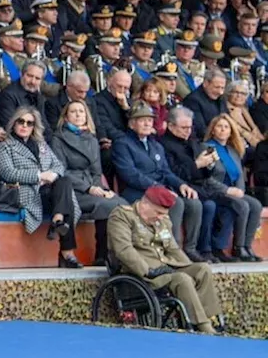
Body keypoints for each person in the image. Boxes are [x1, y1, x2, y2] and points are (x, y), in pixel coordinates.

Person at [107, 185, 225, 334]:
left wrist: (188, 267)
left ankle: (204, 317)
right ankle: (203, 326)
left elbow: (173, 249)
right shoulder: (122, 216)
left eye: (163, 214)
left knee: (202, 270)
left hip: (164, 268)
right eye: (158, 212)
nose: (160, 217)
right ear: (145, 204)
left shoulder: (162, 220)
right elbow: (124, 250)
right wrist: (147, 271)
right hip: (140, 274)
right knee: (181, 279)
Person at [0, 105, 84, 267]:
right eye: (21, 122)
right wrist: (39, 176)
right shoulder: (5, 145)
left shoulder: (41, 145)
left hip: (48, 192)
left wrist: (52, 176)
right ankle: (67, 252)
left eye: (29, 123)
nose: (24, 126)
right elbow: (8, 173)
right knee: (66, 198)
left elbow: (58, 166)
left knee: (64, 181)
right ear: (14, 123)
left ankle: (58, 219)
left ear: (34, 127)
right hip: (25, 192)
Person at [112, 101, 205, 254]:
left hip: (158, 189)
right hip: (137, 191)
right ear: (131, 124)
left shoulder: (155, 145)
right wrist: (158, 188)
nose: (148, 123)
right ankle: (171, 250)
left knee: (195, 203)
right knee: (176, 203)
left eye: (150, 120)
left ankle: (190, 249)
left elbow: (166, 172)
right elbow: (130, 174)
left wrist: (182, 185)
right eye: (142, 120)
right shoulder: (123, 144)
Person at [49, 100, 128, 266]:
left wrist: (102, 189)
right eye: (73, 112)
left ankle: (109, 254)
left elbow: (96, 172)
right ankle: (102, 255)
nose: (78, 115)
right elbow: (61, 171)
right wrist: (88, 188)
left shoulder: (92, 139)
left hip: (92, 187)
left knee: (120, 203)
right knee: (107, 206)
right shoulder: (58, 139)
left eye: (81, 111)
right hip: (72, 190)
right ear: (66, 117)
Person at [203, 113, 264, 262]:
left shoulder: (233, 150)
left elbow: (239, 175)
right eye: (219, 126)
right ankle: (238, 247)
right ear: (213, 130)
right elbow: (206, 178)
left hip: (233, 191)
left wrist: (240, 190)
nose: (223, 130)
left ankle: (247, 246)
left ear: (231, 131)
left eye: (226, 127)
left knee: (255, 205)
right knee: (241, 205)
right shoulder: (207, 148)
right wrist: (227, 190)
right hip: (215, 191)